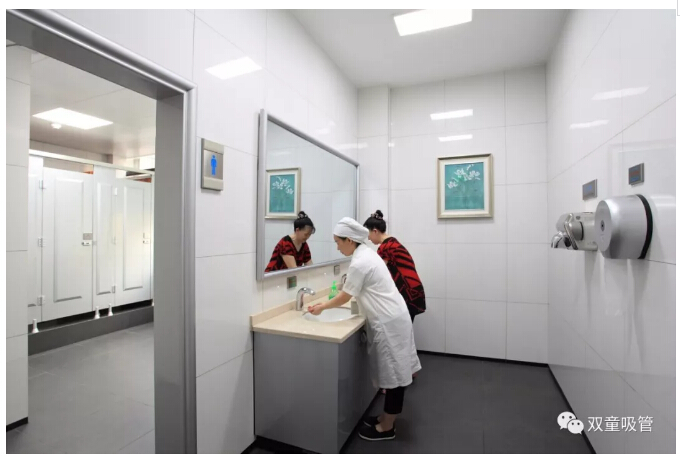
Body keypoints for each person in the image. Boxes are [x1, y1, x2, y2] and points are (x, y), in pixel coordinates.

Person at [307, 217, 421, 441]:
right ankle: (385, 417)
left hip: (389, 321)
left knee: (395, 375)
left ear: (349, 240)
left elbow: (344, 296)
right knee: (395, 371)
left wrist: (321, 307)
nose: (337, 247)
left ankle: (387, 427)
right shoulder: (367, 254)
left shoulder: (360, 262)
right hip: (393, 316)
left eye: (338, 242)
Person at [364, 210, 426, 323]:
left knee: (402, 331)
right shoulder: (393, 242)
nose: (368, 239)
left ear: (375, 231)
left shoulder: (384, 248)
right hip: (415, 291)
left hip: (408, 294)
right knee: (406, 330)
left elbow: (378, 274)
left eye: (368, 235)